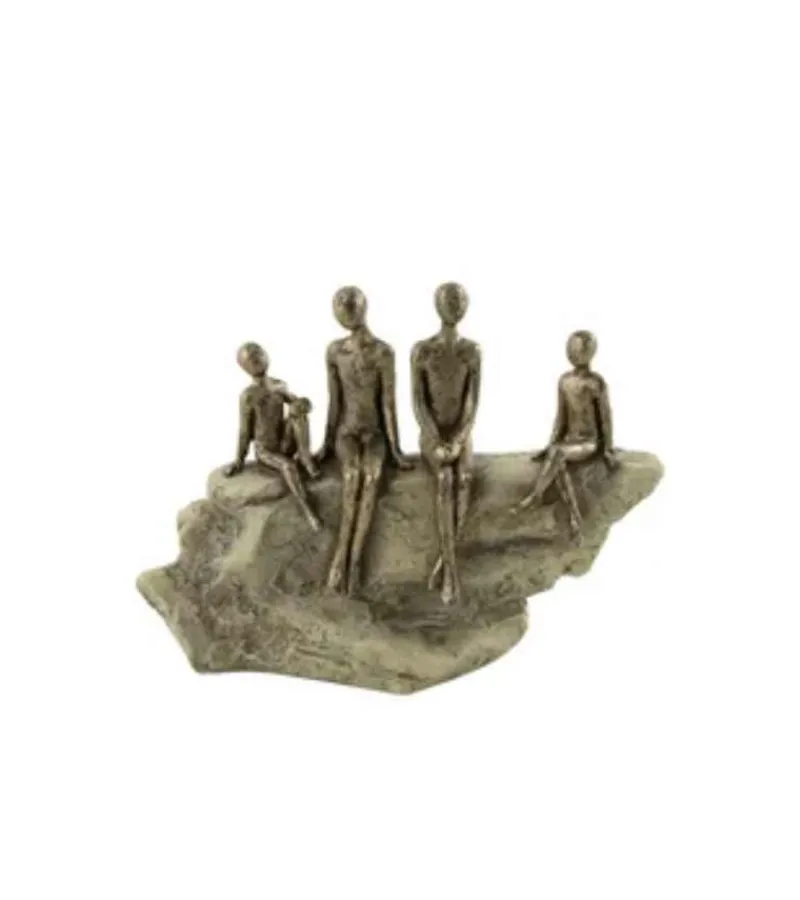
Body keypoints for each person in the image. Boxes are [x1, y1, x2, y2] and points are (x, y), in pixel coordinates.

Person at [317, 287, 413, 595]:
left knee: (370, 477)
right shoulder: (335, 352)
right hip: (346, 432)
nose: (345, 313)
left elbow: (388, 403)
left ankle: (355, 561)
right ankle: (340, 557)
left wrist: (395, 449)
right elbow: (334, 401)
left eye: (350, 306)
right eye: (340, 308)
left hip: (374, 433)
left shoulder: (383, 352)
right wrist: (325, 444)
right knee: (351, 476)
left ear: (363, 307)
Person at [411, 282, 481, 604]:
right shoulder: (423, 351)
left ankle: (444, 560)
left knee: (464, 478)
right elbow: (419, 403)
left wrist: (459, 439)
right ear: (437, 305)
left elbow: (471, 402)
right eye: (449, 301)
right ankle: (451, 572)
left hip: (460, 433)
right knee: (444, 479)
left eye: (459, 301)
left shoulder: (472, 351)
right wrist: (436, 439)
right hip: (432, 434)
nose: (454, 306)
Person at [513, 330, 618, 536]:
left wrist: (607, 449)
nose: (574, 353)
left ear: (590, 352)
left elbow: (605, 419)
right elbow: (561, 417)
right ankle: (574, 516)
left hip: (588, 442)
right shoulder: (564, 381)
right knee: (558, 461)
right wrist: (550, 444)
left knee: (558, 453)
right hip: (568, 442)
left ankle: (536, 496)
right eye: (572, 348)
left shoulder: (595, 383)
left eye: (579, 349)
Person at [224, 342, 321, 531]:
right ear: (244, 367)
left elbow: (297, 403)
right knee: (288, 466)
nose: (258, 359)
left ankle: (305, 457)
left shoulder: (279, 385)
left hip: (284, 442)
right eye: (251, 359)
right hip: (266, 449)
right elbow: (245, 432)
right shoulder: (248, 396)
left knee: (296, 414)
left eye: (259, 353)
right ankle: (308, 510)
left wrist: (303, 404)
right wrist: (239, 460)